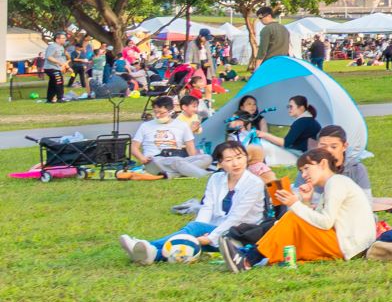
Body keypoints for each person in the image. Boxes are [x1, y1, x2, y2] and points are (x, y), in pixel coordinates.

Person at [220, 147, 375, 270]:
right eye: (301, 171)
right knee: (293, 222)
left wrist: (295, 204)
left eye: (307, 168)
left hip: (349, 246)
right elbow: (316, 224)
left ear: (322, 164)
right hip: (349, 245)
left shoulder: (336, 182)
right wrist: (305, 202)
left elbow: (325, 222)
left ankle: (248, 260)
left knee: (292, 218)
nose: (304, 174)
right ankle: (254, 255)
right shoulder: (333, 185)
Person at [121, 141, 268, 263]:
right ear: (220, 164)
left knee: (193, 230)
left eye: (239, 157)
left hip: (240, 235)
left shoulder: (254, 183)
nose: (236, 163)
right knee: (192, 233)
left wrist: (210, 238)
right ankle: (151, 254)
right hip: (216, 229)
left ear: (246, 158)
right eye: (229, 160)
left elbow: (237, 217)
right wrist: (202, 230)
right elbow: (207, 207)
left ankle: (149, 247)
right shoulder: (216, 179)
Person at [314, 125, 392, 211]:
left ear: (344, 146)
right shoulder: (310, 167)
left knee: (361, 201)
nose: (328, 151)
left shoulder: (356, 168)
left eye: (333, 147)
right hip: (336, 205)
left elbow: (366, 202)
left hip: (353, 205)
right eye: (323, 146)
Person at [129, 95, 211, 178]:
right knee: (177, 161)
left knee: (207, 158)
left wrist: (194, 158)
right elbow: (134, 147)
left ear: (170, 111)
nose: (157, 115)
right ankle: (205, 175)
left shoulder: (182, 125)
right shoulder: (145, 126)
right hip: (155, 159)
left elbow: (190, 147)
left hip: (177, 156)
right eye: (155, 112)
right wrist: (142, 158)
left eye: (161, 113)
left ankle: (170, 174)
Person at [41, 31, 69, 104]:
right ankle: (60, 98)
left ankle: (49, 99)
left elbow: (62, 58)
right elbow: (49, 57)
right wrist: (59, 63)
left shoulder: (61, 47)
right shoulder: (52, 46)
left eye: (65, 38)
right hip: (51, 68)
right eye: (63, 38)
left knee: (53, 83)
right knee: (59, 81)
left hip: (57, 68)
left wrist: (66, 66)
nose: (65, 39)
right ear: (57, 39)